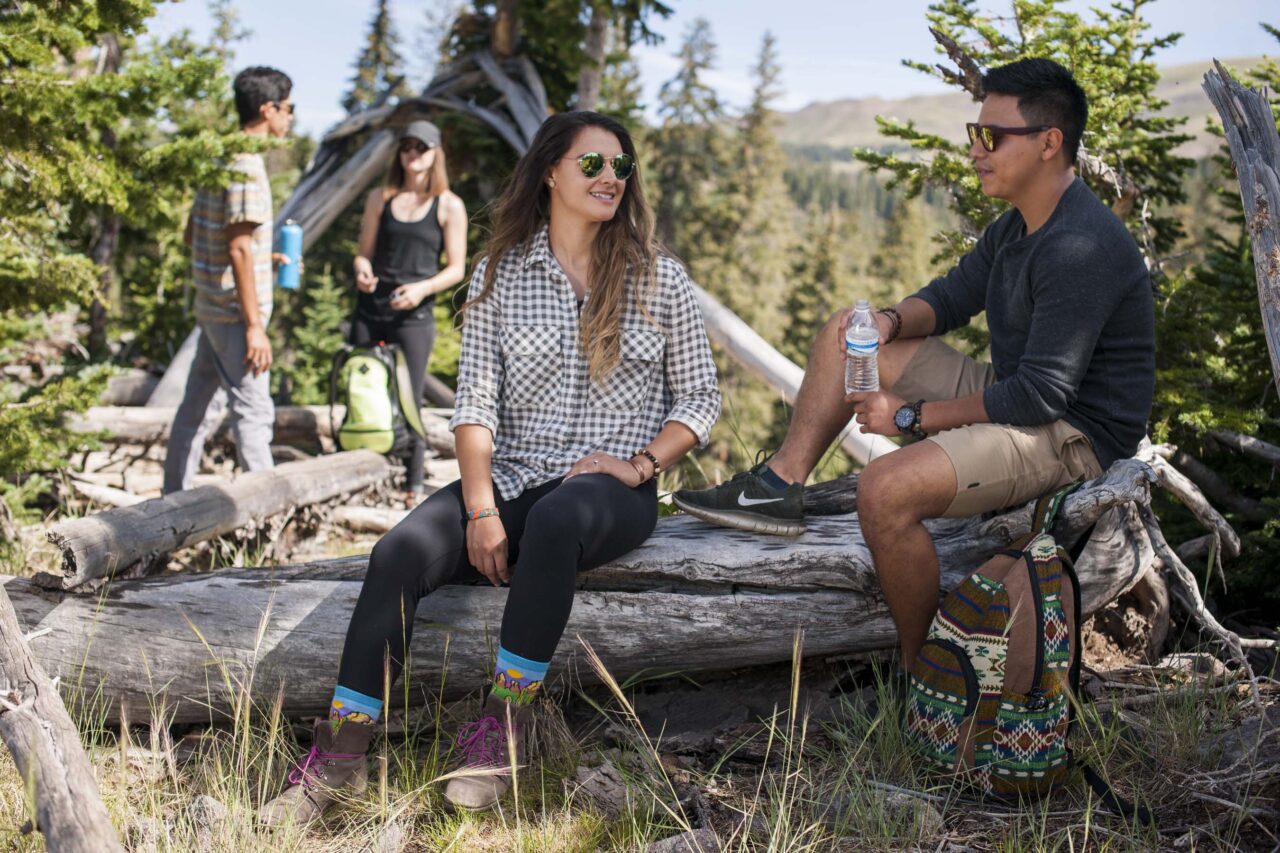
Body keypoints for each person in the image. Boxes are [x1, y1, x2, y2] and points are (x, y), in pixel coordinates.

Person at [260, 111, 721, 825]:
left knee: (557, 517)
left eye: (621, 167)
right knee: (397, 553)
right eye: (592, 164)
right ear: (550, 173)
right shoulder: (501, 274)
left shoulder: (661, 279)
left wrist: (642, 463)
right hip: (511, 477)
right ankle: (341, 757)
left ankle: (502, 727)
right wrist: (478, 508)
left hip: (610, 490)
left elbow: (700, 395)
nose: (609, 178)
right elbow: (474, 404)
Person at [673, 58, 1155, 667]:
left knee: (884, 490)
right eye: (973, 134)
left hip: (1072, 435)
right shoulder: (1017, 229)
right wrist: (887, 323)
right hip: (1021, 395)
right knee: (845, 332)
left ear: (1048, 144)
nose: (975, 150)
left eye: (992, 136)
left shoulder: (1082, 245)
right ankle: (779, 487)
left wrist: (909, 417)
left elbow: (1042, 397)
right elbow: (953, 296)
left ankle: (922, 669)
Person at [162, 66, 295, 494]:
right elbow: (237, 246)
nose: (291, 118)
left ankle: (170, 503)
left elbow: (196, 232)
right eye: (289, 108)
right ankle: (263, 525)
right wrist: (255, 326)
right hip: (235, 317)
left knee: (195, 411)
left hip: (210, 308)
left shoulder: (218, 156)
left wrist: (264, 255)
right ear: (267, 108)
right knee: (254, 414)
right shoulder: (245, 166)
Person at [351, 119, 468, 500]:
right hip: (372, 306)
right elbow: (362, 255)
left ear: (436, 153)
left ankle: (413, 483)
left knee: (409, 395)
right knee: (364, 388)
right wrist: (362, 271)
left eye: (421, 146)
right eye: (406, 146)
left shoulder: (449, 204)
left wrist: (421, 290)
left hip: (414, 313)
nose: (412, 153)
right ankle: (360, 469)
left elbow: (456, 268)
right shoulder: (379, 198)